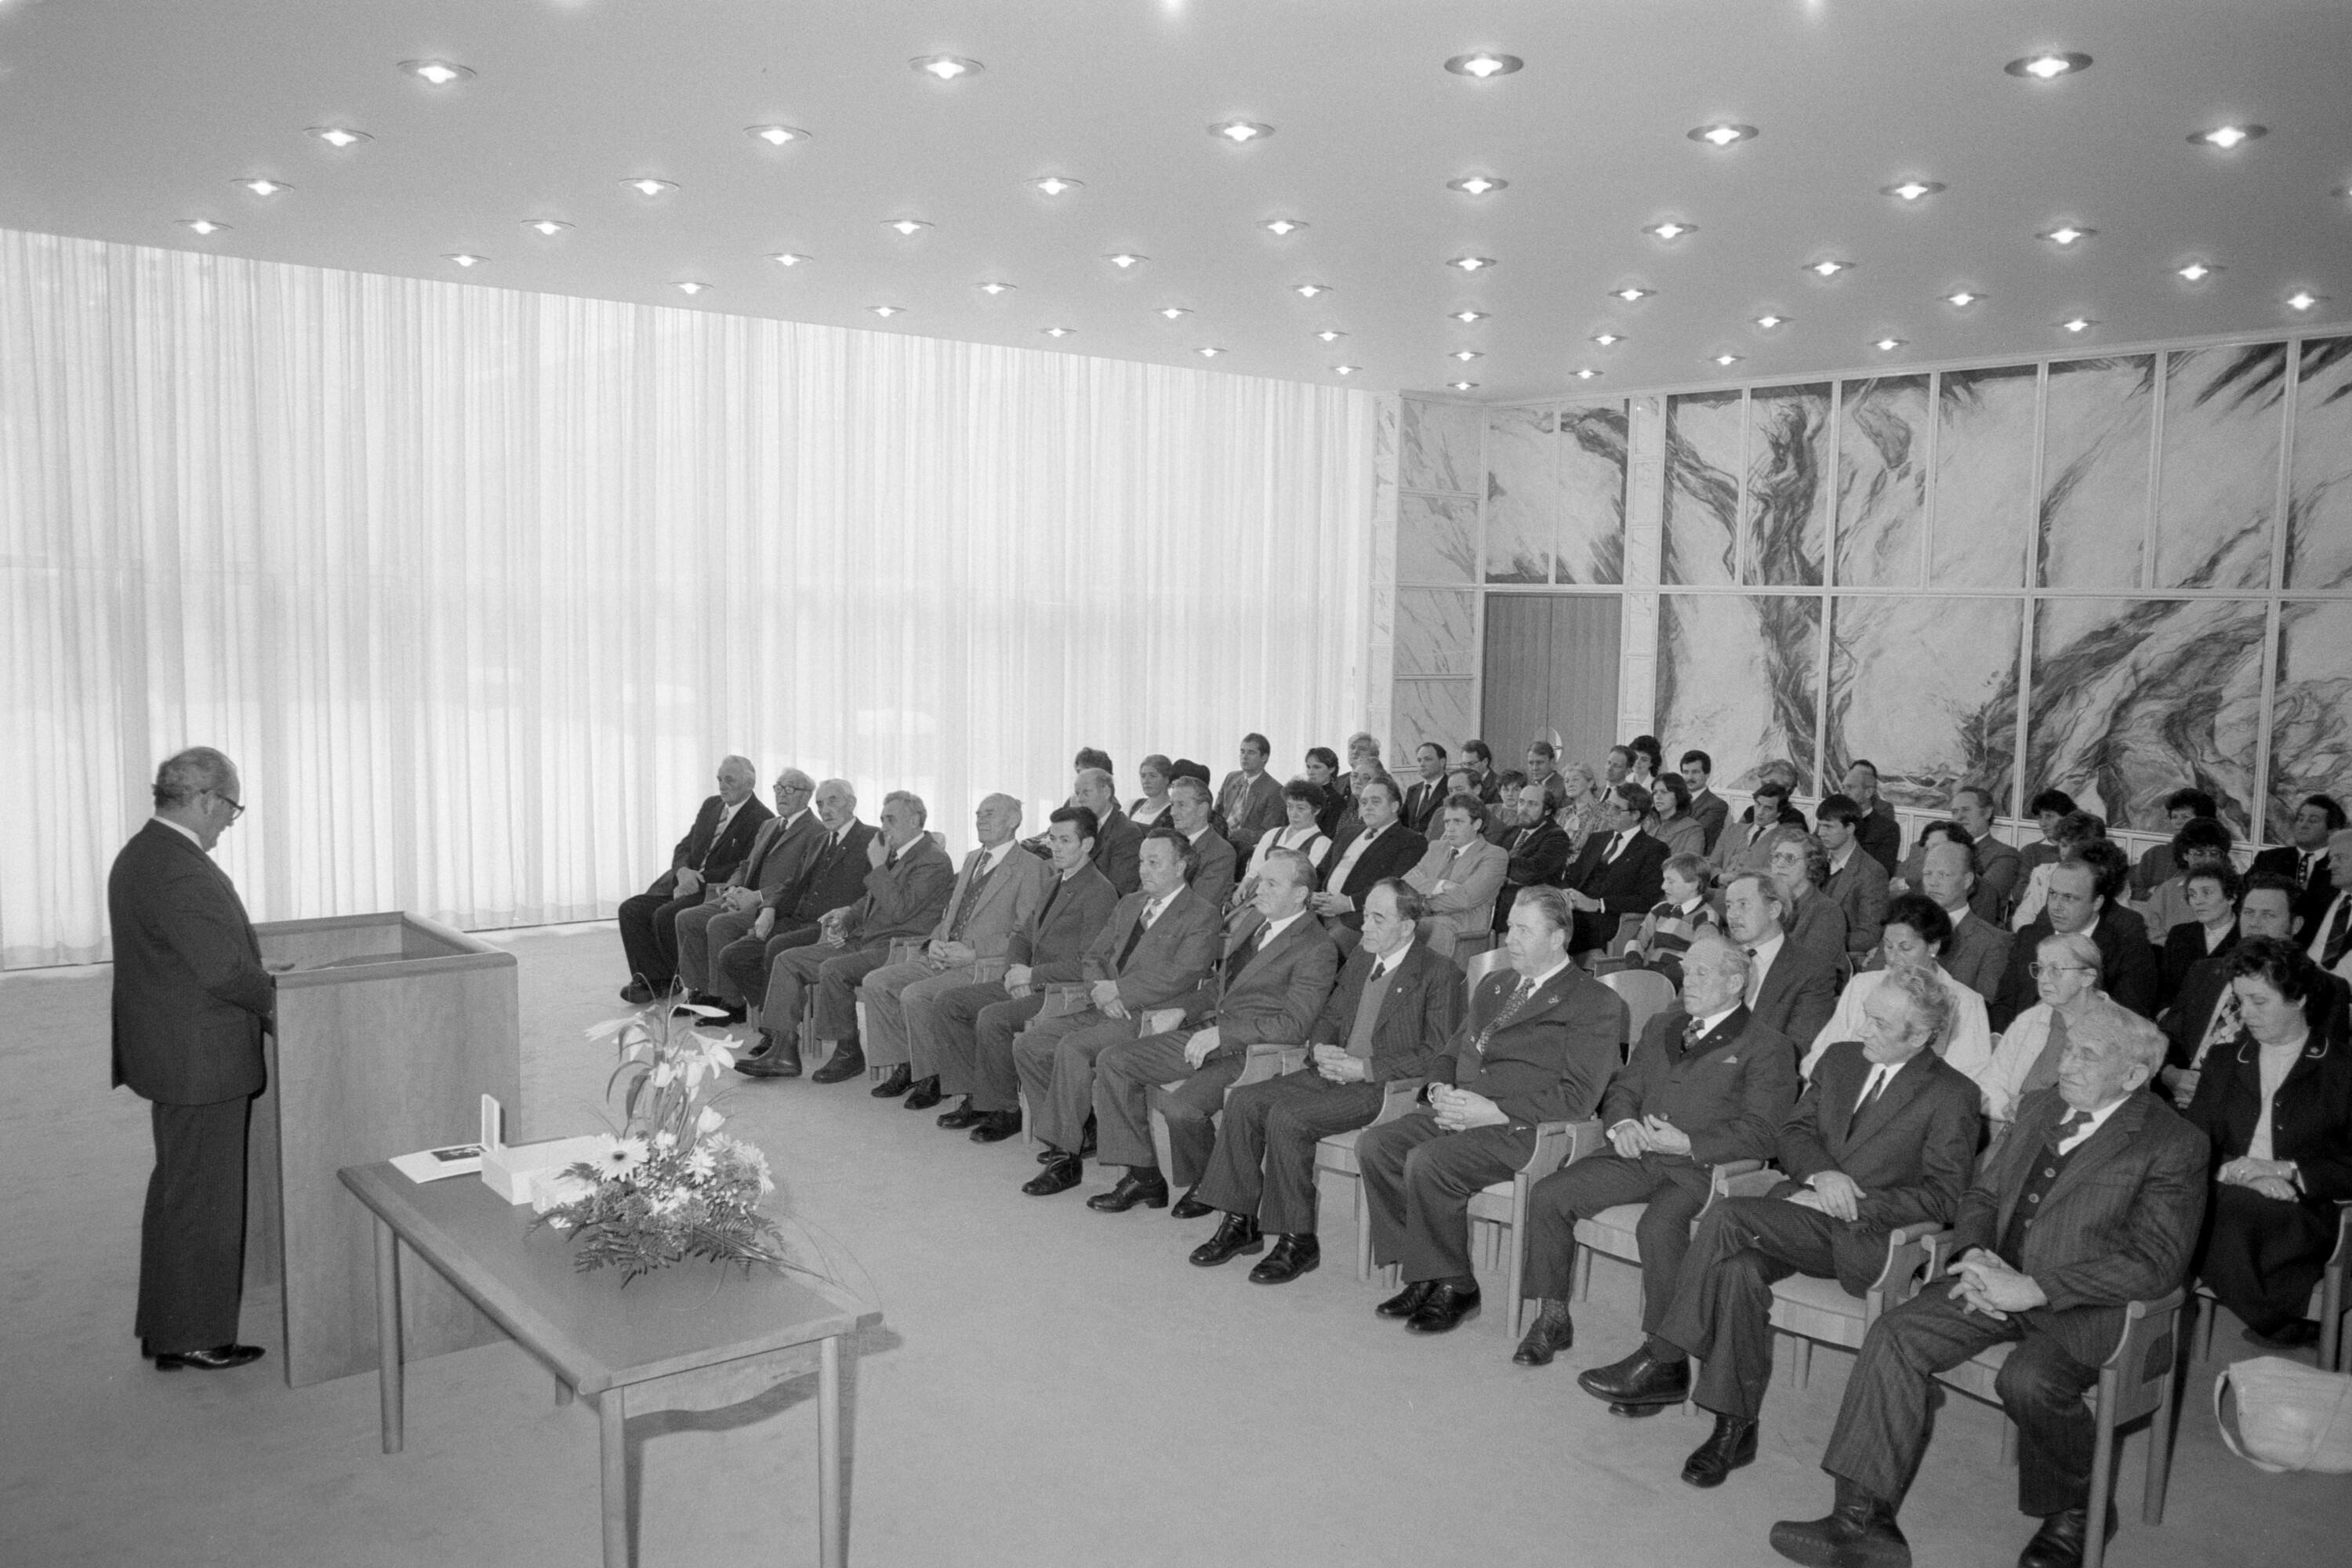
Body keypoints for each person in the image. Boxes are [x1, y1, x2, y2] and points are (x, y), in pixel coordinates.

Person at [1767, 1004, 2205, 1568]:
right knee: (1895, 1333)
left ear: (2133, 1075)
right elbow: (1982, 1195)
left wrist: (2036, 1288)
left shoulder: (2173, 1143)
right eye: (2067, 1049)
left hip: (2085, 1304)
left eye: (2086, 1056)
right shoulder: (2042, 1105)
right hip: (1991, 1277)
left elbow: (2156, 1264)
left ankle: (2072, 1511)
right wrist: (1974, 1253)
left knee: (2028, 1380)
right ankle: (1861, 1523)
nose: (2065, 1064)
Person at [1576, 966, 1980, 1487]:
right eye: (1867, 1016)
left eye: (1880, 1024)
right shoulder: (1841, 1060)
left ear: (1920, 1035)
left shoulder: (1952, 1094)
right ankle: (1733, 1428)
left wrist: (1853, 1201)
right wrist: (1820, 1175)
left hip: (1867, 1239)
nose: (1863, 1029)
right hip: (1797, 1214)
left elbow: (1946, 1196)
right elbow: (1792, 1133)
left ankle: (1667, 1356)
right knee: (1738, 1272)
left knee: (1728, 1215)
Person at [1510, 934, 1798, 1385]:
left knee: (1659, 1227)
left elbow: (1764, 1132)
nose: (1688, 980)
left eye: (1702, 972)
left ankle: (1666, 1359)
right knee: (1550, 1194)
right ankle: (1553, 1317)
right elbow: (1624, 1089)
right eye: (1687, 970)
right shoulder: (1664, 1025)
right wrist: (1623, 1124)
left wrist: (1690, 1144)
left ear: (1735, 983)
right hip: (1640, 1154)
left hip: (1700, 1170)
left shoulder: (1767, 1045)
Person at [1356, 889, 1626, 1334]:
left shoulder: (1594, 1001)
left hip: (1527, 1127)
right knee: (1377, 1145)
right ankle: (1424, 1272)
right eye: (1510, 926)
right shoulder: (1495, 984)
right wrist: (1439, 1089)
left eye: (1524, 930)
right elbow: (1450, 1052)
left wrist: (1494, 1111)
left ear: (1557, 938)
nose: (1510, 938)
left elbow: (1578, 1097)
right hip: (1465, 1109)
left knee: (1429, 1162)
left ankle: (1456, 1285)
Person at [1186, 880, 1465, 1282]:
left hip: (1381, 1086)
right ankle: (1240, 1220)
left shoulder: (1439, 973)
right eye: (1366, 915)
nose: (1364, 926)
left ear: (1407, 927)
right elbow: (1329, 1017)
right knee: (1245, 1101)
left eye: (1378, 919)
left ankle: (1297, 1239)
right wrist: (1321, 1048)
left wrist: (1365, 1069)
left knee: (1288, 1118)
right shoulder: (1362, 958)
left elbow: (1437, 1052)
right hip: (1333, 1071)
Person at [110, 747, 276, 1371]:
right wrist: (281, 1000)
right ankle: (196, 1335)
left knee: (180, 1192)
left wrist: (258, 973)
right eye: (231, 806)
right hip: (200, 1060)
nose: (230, 820)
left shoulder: (146, 853)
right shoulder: (177, 867)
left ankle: (167, 1328)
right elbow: (223, 970)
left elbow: (193, 954)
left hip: (177, 1051)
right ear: (206, 799)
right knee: (204, 1201)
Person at [1087, 849, 1340, 1214]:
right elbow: (1219, 987)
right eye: (1260, 880)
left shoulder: (1317, 947)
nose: (1258, 890)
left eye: (1272, 884)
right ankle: (1144, 1177)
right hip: (1210, 1030)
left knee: (1182, 1108)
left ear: (1300, 894)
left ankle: (1208, 1180)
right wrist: (1183, 1009)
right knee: (1115, 1060)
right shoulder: (1255, 922)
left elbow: (1294, 1026)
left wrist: (1223, 1035)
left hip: (1255, 1050)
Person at [1016, 829, 1222, 1197]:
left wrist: (1120, 992)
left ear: (1180, 866)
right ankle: (1076, 1131)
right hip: (1103, 1005)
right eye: (1142, 861)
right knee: (1031, 1044)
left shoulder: (1201, 914)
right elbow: (1094, 956)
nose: (1144, 869)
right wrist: (1101, 989)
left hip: (1148, 1017)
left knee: (1074, 1048)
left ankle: (1065, 1160)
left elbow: (1181, 975)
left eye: (1154, 862)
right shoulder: (1130, 902)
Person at [2182, 938, 2352, 1348]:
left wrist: (2286, 1170)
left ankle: (2271, 1316)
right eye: (2240, 1001)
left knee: (2206, 1212)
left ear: (2300, 998)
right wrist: (2243, 1173)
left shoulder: (2342, 1070)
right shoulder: (2224, 1060)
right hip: (2232, 1193)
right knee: (2199, 1201)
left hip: (2307, 1209)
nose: (2246, 1014)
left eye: (2259, 1001)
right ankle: (2276, 1317)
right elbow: (2192, 1144)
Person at [924, 807, 1120, 1142]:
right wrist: (1016, 969)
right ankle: (975, 1096)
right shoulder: (1054, 881)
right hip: (1029, 979)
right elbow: (1022, 936)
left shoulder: (1099, 891)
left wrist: (1033, 976)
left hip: (1065, 992)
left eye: (1065, 840)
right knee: (948, 1002)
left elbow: (1089, 963)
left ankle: (1005, 1110)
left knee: (994, 1018)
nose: (1055, 847)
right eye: (1052, 839)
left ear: (1087, 844)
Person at [858, 793, 1053, 1104]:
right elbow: (950, 914)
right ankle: (909, 1064)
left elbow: (1025, 934)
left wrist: (975, 952)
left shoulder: (1031, 867)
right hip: (945, 954)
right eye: (978, 814)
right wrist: (935, 941)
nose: (981, 819)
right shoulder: (973, 858)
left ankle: (932, 1076)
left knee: (916, 994)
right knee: (878, 982)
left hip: (984, 963)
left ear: (1014, 820)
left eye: (989, 814)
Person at [773, 791, 956, 1086]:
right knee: (788, 959)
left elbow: (900, 909)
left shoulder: (933, 860)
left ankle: (848, 1052)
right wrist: (847, 915)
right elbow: (871, 899)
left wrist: (878, 866)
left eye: (890, 820)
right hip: (867, 941)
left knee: (834, 969)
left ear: (914, 821)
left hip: (899, 947)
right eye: (882, 819)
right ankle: (782, 1048)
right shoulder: (897, 853)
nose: (883, 827)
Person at [725, 780, 877, 1075]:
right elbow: (792, 883)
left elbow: (875, 894)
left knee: (778, 948)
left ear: (851, 803)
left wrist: (849, 916)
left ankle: (781, 1040)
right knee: (734, 955)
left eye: (832, 801)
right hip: (798, 919)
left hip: (832, 928)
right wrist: (769, 909)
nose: (825, 809)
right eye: (820, 804)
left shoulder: (872, 838)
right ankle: (785, 1016)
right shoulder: (819, 840)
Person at [616, 755, 773, 1002]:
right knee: (631, 909)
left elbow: (745, 867)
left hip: (715, 890)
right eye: (720, 779)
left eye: (729, 780)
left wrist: (697, 880)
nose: (722, 785)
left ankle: (693, 982)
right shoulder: (711, 806)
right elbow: (685, 846)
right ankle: (655, 980)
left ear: (749, 784)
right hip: (684, 881)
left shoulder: (762, 818)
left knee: (666, 916)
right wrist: (682, 872)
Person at [1800, 895, 1995, 1087]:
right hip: (1846, 1089)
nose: (1894, 958)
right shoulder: (1862, 986)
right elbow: (1820, 1054)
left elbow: (1966, 1078)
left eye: (1905, 948)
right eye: (1888, 946)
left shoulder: (1965, 1003)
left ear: (1933, 947)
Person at [673, 769, 821, 1021]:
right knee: (686, 918)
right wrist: (732, 889)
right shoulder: (769, 825)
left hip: (772, 905)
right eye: (778, 788)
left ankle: (731, 1003)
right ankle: (704, 992)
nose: (781, 795)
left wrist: (758, 897)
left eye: (790, 789)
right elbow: (745, 865)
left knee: (719, 924)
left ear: (807, 796)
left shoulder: (815, 831)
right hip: (741, 895)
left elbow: (799, 883)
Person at [2160, 874, 2312, 1105]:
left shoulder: (2318, 987)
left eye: (2268, 915)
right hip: (2179, 1097)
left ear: (2296, 924)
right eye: (2248, 913)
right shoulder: (2205, 971)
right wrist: (2169, 1074)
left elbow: (2308, 1081)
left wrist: (2214, 1095)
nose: (2254, 924)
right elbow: (2166, 1036)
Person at [1992, 846, 2160, 1030]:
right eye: (2052, 894)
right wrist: (1998, 1038)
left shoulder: (2127, 950)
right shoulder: (2029, 937)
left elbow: (2129, 1021)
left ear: (2097, 902)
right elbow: (2005, 1004)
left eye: (2069, 898)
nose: (2056, 906)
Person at [1976, 931, 2110, 1127]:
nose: (2043, 979)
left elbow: (2109, 1110)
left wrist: (2036, 1112)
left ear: (2087, 977)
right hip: (2015, 1127)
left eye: (2055, 970)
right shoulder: (2030, 1020)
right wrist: (2009, 1109)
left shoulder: (2119, 1031)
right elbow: (1988, 1085)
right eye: (2040, 969)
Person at [1721, 872, 1838, 1051]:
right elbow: (1680, 1017)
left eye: (1743, 904)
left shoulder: (1812, 971)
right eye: (1729, 906)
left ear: (1773, 910)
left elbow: (1796, 1047)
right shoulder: (1717, 955)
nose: (1732, 915)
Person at [1556, 782, 1669, 956]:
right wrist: (1566, 895)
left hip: (1610, 918)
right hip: (1574, 911)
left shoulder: (1654, 849)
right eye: (1608, 805)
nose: (1608, 813)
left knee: (1554, 930)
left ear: (1635, 815)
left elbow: (1647, 899)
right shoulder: (1597, 839)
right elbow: (1572, 875)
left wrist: (1598, 904)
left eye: (1616, 809)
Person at [1309, 775, 1424, 940]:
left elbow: (1394, 885)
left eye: (1375, 802)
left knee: (1322, 945)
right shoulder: (1347, 833)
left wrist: (1349, 903)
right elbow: (1320, 871)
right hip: (1319, 912)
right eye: (1364, 802)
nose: (1368, 807)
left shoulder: (1410, 841)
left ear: (1394, 806)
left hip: (1358, 918)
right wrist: (1313, 894)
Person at [1402, 796, 1509, 956]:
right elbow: (1406, 883)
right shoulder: (1436, 847)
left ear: (1477, 824)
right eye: (1447, 822)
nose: (1450, 828)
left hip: (1463, 930)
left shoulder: (1494, 855)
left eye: (1457, 822)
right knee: (1384, 919)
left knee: (1420, 927)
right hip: (1425, 921)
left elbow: (1465, 899)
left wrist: (1422, 902)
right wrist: (1441, 885)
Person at [1916, 837, 2013, 1004]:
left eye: (1944, 875)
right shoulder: (1905, 926)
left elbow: (1983, 1006)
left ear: (1967, 880)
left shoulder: (1991, 942)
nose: (1933, 883)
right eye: (1927, 874)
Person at [2137, 815, 2235, 955]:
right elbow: (2150, 931)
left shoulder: (2231, 891)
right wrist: (2181, 949)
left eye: (2214, 854)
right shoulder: (2168, 890)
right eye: (2199, 853)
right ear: (2185, 855)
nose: (2207, 860)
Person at [2251, 793, 2346, 935]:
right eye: (2300, 819)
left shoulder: (2341, 866)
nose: (2303, 825)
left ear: (2333, 832)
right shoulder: (2268, 859)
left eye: (2313, 821)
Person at [2156, 858, 2241, 1010]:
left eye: (2207, 893)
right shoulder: (2179, 935)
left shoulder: (2246, 937)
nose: (2198, 901)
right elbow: (2164, 990)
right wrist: (2164, 1014)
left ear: (2231, 897)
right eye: (2192, 894)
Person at [2008, 808, 2107, 932]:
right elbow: (2023, 917)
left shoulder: (2106, 877)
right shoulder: (2044, 873)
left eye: (2075, 847)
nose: (2067, 852)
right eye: (2064, 845)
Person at [1816, 794, 1891, 959]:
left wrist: (1821, 942)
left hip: (1841, 959)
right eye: (1819, 825)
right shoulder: (1814, 859)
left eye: (1828, 827)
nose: (1820, 833)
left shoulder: (1872, 873)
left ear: (1850, 828)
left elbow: (1870, 935)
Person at [1490, 782, 1573, 931]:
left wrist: (1501, 862)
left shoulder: (1557, 836)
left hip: (1532, 910)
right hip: (1497, 903)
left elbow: (1531, 871)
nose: (1524, 809)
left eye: (1532, 804)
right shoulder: (1510, 831)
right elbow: (1488, 860)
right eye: (1521, 802)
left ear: (1547, 810)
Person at [1628, 854, 1719, 984]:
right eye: (1664, 880)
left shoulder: (1706, 918)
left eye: (1671, 882)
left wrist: (1660, 978)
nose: (1663, 886)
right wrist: (1635, 967)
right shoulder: (1660, 909)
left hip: (1677, 983)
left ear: (1693, 884)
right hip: (1646, 976)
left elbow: (1700, 958)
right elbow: (1636, 941)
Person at [1768, 832, 1850, 975]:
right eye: (1776, 856)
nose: (1779, 864)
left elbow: (1810, 969)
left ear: (1811, 865)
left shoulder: (1827, 911)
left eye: (1790, 858)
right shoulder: (1768, 903)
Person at [1238, 779, 1334, 898]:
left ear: (1317, 810)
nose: (1293, 814)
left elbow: (1306, 882)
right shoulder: (1272, 834)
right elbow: (1254, 869)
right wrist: (1243, 886)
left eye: (1301, 808)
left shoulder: (1322, 844)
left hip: (1287, 899)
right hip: (1256, 892)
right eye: (1290, 807)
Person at [2129, 787, 2222, 902]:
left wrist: (2157, 892)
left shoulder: (2213, 857)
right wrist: (2162, 897)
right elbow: (2132, 892)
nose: (2178, 822)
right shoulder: (2155, 854)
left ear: (2203, 820)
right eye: (2174, 817)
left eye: (2185, 817)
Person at [1163, 773, 1239, 912]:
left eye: (1181, 805)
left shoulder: (1221, 853)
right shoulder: (1165, 844)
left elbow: (1197, 905)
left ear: (1202, 809)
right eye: (1172, 804)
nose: (1173, 812)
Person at [1947, 785, 2025, 920]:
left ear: (1987, 812)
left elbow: (1983, 899)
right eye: (1954, 812)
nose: (1959, 817)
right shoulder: (1942, 849)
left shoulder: (2005, 855)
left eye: (1966, 810)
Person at [1710, 776, 1804, 882]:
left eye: (1768, 808)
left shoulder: (1785, 839)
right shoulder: (1732, 830)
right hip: (1718, 888)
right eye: (1758, 804)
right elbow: (1712, 864)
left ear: (1779, 813)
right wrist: (1719, 878)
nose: (1760, 812)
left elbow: (1778, 877)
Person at [1071, 767, 1145, 896]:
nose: (1080, 799)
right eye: (1077, 793)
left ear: (1106, 792)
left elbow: (1118, 892)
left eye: (1086, 792)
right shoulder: (1079, 827)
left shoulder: (1127, 834)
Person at [1214, 732, 1287, 852]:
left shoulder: (1275, 790)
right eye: (1242, 752)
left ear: (1264, 757)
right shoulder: (1231, 778)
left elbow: (1270, 833)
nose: (1244, 757)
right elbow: (1216, 814)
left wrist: (1236, 834)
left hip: (1246, 849)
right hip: (1219, 842)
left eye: (1251, 753)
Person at [2302, 826, 2352, 982]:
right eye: (2331, 859)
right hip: (2299, 981)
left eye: (2340, 858)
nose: (2330, 866)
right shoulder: (2317, 896)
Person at [1838, 760, 1903, 876]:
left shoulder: (1888, 828)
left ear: (1868, 792)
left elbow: (1882, 873)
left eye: (1851, 787)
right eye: (1843, 787)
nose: (1844, 793)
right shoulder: (1832, 815)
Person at [2016, 786, 2082, 883]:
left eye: (2049, 816)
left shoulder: (2080, 849)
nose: (2043, 823)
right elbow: (2020, 888)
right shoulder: (2030, 852)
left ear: (2066, 816)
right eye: (2039, 817)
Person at [1682, 750, 1731, 856]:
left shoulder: (1717, 805)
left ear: (1707, 774)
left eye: (1695, 772)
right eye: (1686, 772)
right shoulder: (1675, 798)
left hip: (1694, 859)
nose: (1689, 777)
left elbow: (1692, 834)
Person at [1650, 772, 1707, 859]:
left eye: (1664, 792)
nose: (1658, 797)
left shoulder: (1693, 829)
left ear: (1678, 796)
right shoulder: (1649, 824)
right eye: (1655, 792)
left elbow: (1690, 864)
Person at [1402, 742, 1451, 836]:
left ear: (1442, 762)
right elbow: (1403, 822)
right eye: (1419, 760)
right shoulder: (1413, 790)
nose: (1422, 764)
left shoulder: (1451, 788)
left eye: (1428, 759)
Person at [1305, 746, 1348, 837]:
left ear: (1331, 769)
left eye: (1317, 767)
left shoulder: (1337, 802)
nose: (1310, 772)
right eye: (1308, 767)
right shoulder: (1302, 795)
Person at [1127, 754, 1174, 828]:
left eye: (1153, 776)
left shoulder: (1173, 812)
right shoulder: (1131, 806)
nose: (1146, 781)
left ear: (1167, 779)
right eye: (1143, 776)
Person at [1460, 738, 1506, 806]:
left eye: (1471, 764)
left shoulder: (1498, 785)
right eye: (1464, 764)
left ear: (1485, 762)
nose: (1466, 768)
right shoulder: (1460, 783)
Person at [1525, 739, 1567, 811]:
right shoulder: (1528, 787)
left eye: (1539, 763)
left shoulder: (1564, 788)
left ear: (1552, 762)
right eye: (1531, 763)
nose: (1534, 768)